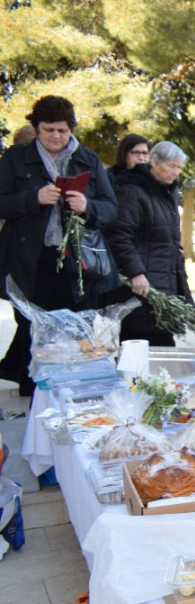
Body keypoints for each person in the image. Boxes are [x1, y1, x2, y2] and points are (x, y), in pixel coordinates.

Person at [0, 95, 118, 395]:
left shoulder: (88, 159)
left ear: (71, 129)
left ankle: (75, 395)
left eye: (62, 131)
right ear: (36, 129)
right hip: (31, 261)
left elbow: (111, 208)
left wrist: (88, 206)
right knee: (34, 331)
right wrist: (32, 199)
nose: (56, 136)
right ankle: (35, 400)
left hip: (79, 264)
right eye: (48, 130)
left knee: (78, 332)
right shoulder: (16, 159)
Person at [104, 141, 193, 346]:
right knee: (138, 356)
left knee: (162, 353)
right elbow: (118, 235)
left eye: (179, 167)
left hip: (164, 288)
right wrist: (136, 272)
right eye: (172, 166)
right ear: (154, 161)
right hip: (142, 289)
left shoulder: (167, 195)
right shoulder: (132, 192)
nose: (176, 172)